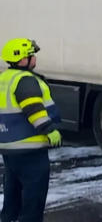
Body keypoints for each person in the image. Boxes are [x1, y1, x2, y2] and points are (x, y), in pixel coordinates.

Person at [0, 38, 62, 222]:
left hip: (10, 148)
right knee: (33, 199)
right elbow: (34, 108)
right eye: (31, 55)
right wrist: (49, 130)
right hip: (30, 149)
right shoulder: (25, 80)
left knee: (12, 196)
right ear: (22, 59)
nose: (34, 58)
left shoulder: (4, 78)